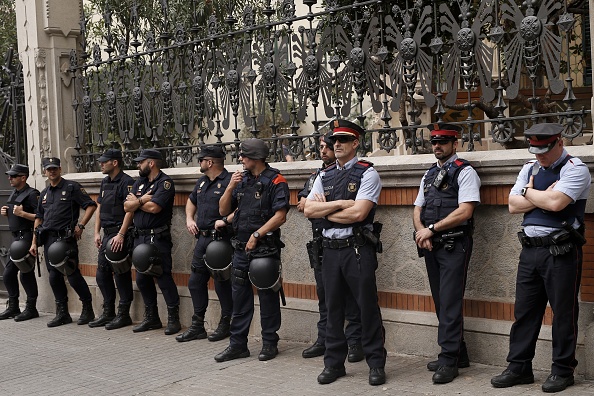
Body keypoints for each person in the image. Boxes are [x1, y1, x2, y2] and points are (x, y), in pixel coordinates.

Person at [491, 123, 591, 393]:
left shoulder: (575, 168)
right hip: (530, 250)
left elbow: (557, 204)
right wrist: (537, 195)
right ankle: (519, 367)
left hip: (561, 251)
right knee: (525, 312)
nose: (539, 156)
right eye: (535, 150)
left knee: (563, 314)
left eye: (544, 150)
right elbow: (513, 205)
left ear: (559, 141)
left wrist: (528, 193)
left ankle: (562, 370)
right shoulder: (530, 167)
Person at [304, 120, 386, 386]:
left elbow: (360, 213)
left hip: (357, 249)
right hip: (329, 251)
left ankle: (375, 363)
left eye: (342, 140)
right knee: (332, 309)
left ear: (355, 143)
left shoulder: (367, 173)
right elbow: (308, 211)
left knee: (366, 308)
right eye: (333, 140)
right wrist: (339, 204)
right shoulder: (323, 175)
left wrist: (325, 210)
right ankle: (333, 364)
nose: (336, 144)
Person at [413, 123, 481, 384]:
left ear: (456, 144)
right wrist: (422, 232)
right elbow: (417, 207)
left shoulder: (464, 172)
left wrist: (431, 230)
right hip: (431, 245)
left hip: (455, 245)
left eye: (443, 141)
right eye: (434, 141)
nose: (437, 145)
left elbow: (465, 211)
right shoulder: (429, 174)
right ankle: (459, 353)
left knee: (451, 302)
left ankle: (449, 359)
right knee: (442, 301)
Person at [215, 138, 290, 362]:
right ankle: (238, 345)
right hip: (240, 249)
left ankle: (269, 343)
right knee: (239, 297)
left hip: (264, 249)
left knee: (267, 296)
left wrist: (257, 235)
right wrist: (229, 187)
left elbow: (281, 215)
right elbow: (223, 210)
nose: (241, 159)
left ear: (255, 158)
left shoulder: (276, 180)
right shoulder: (241, 180)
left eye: (244, 156)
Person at [297, 134, 363, 362]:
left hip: (348, 241)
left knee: (353, 297)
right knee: (326, 295)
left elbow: (357, 211)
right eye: (322, 147)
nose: (325, 150)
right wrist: (329, 207)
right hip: (321, 241)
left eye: (327, 146)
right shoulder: (318, 176)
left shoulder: (359, 173)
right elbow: (304, 205)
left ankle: (355, 341)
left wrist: (323, 208)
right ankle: (324, 339)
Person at [29, 157, 97, 327]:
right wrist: (34, 242)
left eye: (54, 168)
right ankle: (63, 313)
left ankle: (88, 309)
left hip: (66, 239)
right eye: (48, 169)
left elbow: (91, 205)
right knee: (54, 277)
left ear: (60, 169)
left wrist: (81, 225)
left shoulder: (72, 187)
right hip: (49, 239)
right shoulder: (44, 194)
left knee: (73, 275)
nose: (52, 171)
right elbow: (39, 218)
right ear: (44, 171)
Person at [176, 145, 233, 343]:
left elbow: (242, 207)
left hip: (221, 240)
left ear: (209, 162)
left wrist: (225, 221)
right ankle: (197, 325)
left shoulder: (230, 181)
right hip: (202, 239)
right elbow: (191, 201)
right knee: (195, 281)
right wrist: (189, 219)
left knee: (221, 283)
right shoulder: (202, 182)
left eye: (201, 160)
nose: (199, 163)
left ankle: (226, 324)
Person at [124, 149, 181, 335]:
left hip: (157, 238)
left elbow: (155, 208)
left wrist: (137, 203)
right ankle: (152, 318)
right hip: (140, 237)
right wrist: (142, 200)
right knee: (141, 278)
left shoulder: (164, 183)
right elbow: (126, 206)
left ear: (151, 163)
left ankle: (174, 319)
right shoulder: (139, 183)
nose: (137, 165)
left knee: (163, 277)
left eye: (141, 162)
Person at [90, 149, 135, 329]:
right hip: (107, 234)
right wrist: (96, 232)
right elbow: (99, 208)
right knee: (102, 274)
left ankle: (124, 314)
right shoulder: (105, 182)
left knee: (121, 273)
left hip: (119, 234)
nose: (101, 164)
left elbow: (130, 210)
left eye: (104, 161)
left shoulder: (127, 182)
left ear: (114, 162)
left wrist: (122, 234)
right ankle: (108, 312)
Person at [0, 164, 40, 321]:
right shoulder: (15, 193)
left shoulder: (32, 194)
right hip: (16, 238)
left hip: (27, 238)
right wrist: (7, 212)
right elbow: (15, 212)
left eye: (13, 176)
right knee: (9, 274)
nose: (10, 178)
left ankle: (31, 308)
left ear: (23, 177)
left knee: (26, 274)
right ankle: (14, 307)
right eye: (10, 175)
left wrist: (22, 214)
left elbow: (40, 216)